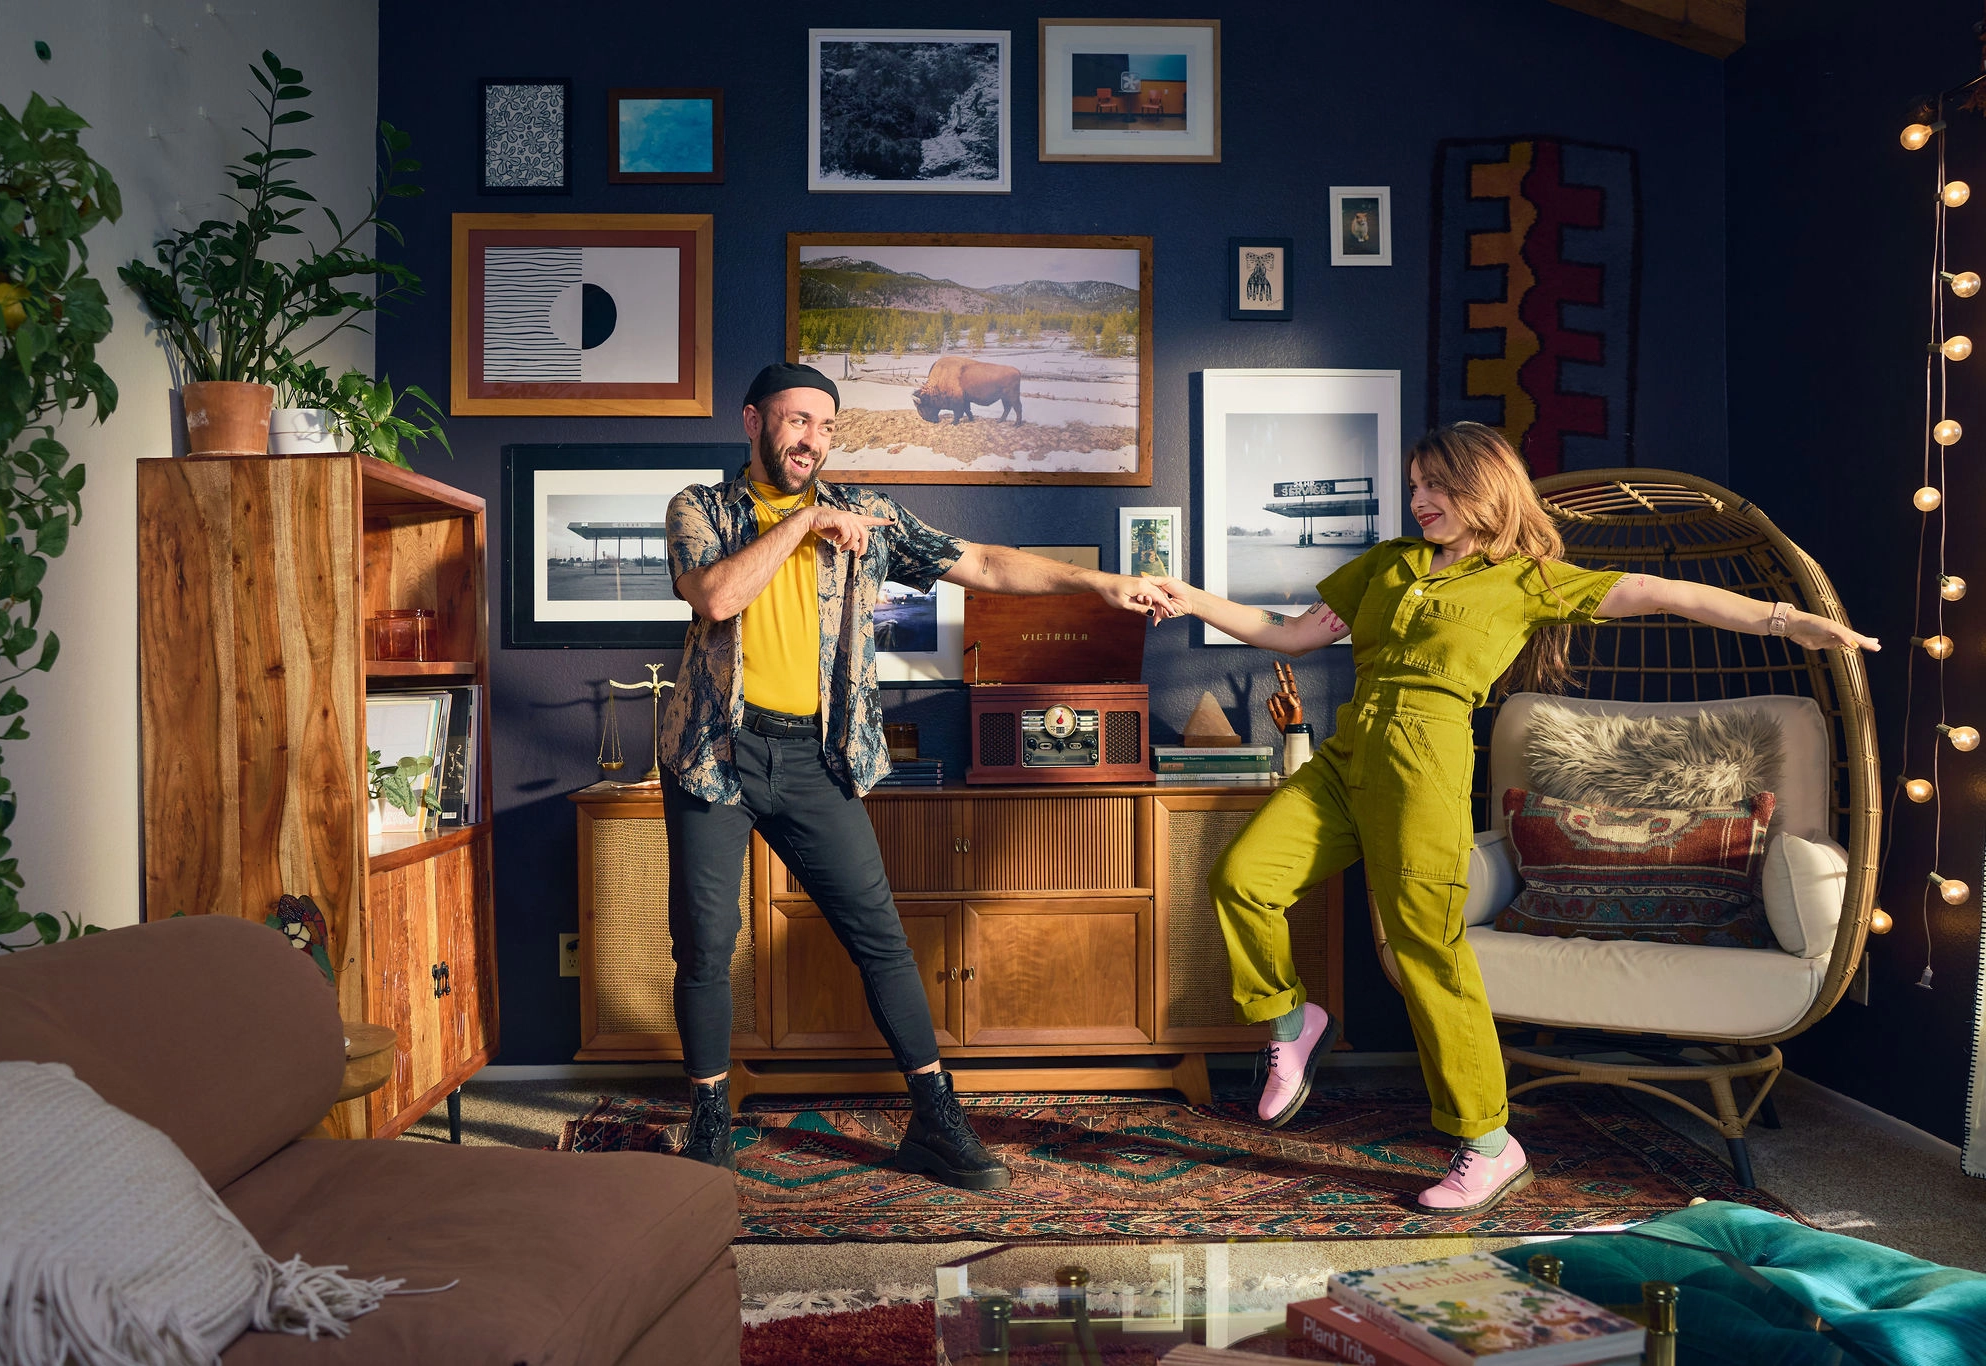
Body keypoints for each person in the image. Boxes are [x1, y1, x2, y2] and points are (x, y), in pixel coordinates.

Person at [1142, 422, 1878, 1214]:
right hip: (1347, 756)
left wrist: (1782, 620)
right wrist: (1189, 597)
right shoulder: (1388, 566)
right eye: (1415, 484)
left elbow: (1657, 592)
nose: (1419, 499)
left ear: (1482, 486)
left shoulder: (1530, 580)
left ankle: (1488, 1145)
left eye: (1435, 485)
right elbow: (1281, 634)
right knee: (1242, 877)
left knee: (1429, 950)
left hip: (1424, 764)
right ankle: (1291, 1017)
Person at [660, 362, 1176, 1188]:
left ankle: (936, 1121)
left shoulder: (871, 515)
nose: (811, 441)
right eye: (796, 422)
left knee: (883, 942)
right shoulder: (704, 507)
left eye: (825, 427)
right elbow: (716, 598)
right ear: (753, 419)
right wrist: (801, 525)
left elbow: (988, 565)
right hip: (714, 755)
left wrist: (1102, 585)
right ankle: (710, 1126)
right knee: (704, 946)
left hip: (815, 759)